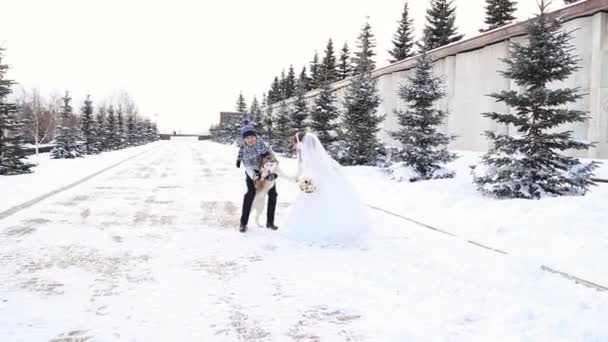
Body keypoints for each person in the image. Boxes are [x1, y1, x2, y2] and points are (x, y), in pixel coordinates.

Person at [286, 132, 370, 244]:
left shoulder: (316, 157)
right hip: (312, 185)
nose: (294, 146)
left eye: (295, 143)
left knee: (323, 206)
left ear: (301, 144)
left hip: (318, 185)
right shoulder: (306, 155)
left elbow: (320, 171)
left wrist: (311, 181)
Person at [236, 121, 279, 233]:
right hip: (253, 172)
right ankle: (243, 223)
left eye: (252, 136)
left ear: (255, 136)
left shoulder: (264, 145)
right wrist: (255, 176)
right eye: (247, 138)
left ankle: (270, 222)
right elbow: (248, 167)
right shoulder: (243, 150)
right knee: (250, 194)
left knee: (273, 194)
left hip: (267, 170)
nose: (250, 139)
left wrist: (271, 169)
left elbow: (272, 158)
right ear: (244, 139)